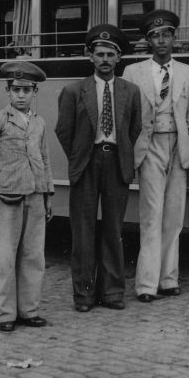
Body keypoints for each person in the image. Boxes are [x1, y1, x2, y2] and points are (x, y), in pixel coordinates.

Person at [55, 24, 142, 312]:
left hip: (116, 161)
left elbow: (134, 128)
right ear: (89, 56)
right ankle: (84, 295)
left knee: (114, 230)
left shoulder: (131, 91)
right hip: (87, 163)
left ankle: (113, 293)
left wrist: (119, 151)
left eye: (110, 55)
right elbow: (64, 130)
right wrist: (80, 156)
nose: (105, 59)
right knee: (83, 232)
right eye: (100, 54)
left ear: (119, 59)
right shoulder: (73, 91)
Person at [123, 9, 189, 303]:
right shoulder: (133, 72)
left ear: (174, 38)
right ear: (148, 40)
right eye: (155, 36)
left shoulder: (185, 72)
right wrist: (129, 156)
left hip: (178, 147)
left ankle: (169, 279)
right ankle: (146, 285)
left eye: (166, 35)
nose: (161, 41)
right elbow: (128, 119)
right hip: (150, 147)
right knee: (150, 216)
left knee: (173, 217)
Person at [0, 60, 55, 332]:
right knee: (5, 257)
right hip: (8, 198)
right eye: (16, 90)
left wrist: (47, 193)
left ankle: (29, 311)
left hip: (35, 197)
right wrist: (0, 175)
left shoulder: (39, 123)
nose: (21, 95)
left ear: (34, 93)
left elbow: (44, 159)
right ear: (7, 91)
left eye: (26, 90)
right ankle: (5, 315)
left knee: (33, 257)